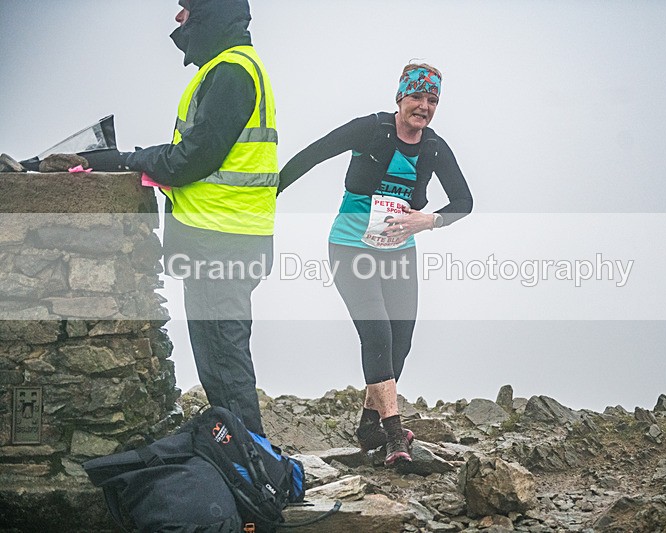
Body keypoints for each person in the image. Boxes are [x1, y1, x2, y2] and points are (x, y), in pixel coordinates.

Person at [82, 0, 278, 434]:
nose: (178, 18)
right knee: (222, 357)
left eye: (186, 8)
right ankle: (250, 462)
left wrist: (126, 159)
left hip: (221, 239)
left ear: (210, 13)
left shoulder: (230, 72)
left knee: (223, 360)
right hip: (231, 235)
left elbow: (191, 159)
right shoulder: (233, 67)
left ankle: (254, 467)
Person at [279, 63, 473, 465]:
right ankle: (394, 437)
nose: (424, 106)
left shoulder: (435, 147)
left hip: (398, 253)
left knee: (400, 341)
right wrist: (268, 196)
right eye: (417, 97)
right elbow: (313, 154)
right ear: (400, 97)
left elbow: (464, 202)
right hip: (351, 247)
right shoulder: (372, 129)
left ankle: (369, 425)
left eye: (432, 100)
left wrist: (428, 220)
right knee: (378, 334)